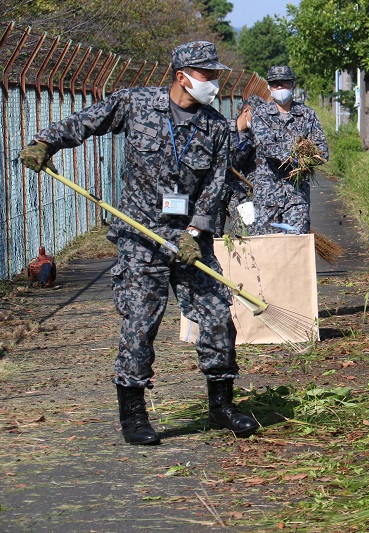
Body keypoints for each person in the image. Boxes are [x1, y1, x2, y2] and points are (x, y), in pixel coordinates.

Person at [19, 41, 258, 445]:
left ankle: (222, 405)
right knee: (140, 324)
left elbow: (216, 188)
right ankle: (133, 414)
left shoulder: (216, 127)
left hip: (188, 240)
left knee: (218, 314)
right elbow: (87, 121)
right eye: (207, 75)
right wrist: (46, 142)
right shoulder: (136, 103)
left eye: (217, 75)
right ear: (182, 76)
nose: (214, 83)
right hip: (140, 236)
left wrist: (196, 232)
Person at [248, 65, 328, 235]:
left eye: (284, 83)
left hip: (297, 197)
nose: (280, 87)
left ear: (293, 85)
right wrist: (297, 155)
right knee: (266, 249)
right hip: (267, 196)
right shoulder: (261, 114)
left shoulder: (307, 114)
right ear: (269, 87)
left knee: (296, 248)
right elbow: (267, 146)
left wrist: (309, 157)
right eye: (275, 84)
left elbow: (322, 150)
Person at [215, 95, 267, 236]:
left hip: (238, 189)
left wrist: (255, 187)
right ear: (245, 112)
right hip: (216, 188)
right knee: (214, 232)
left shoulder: (252, 139)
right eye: (257, 116)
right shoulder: (222, 128)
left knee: (246, 228)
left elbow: (250, 168)